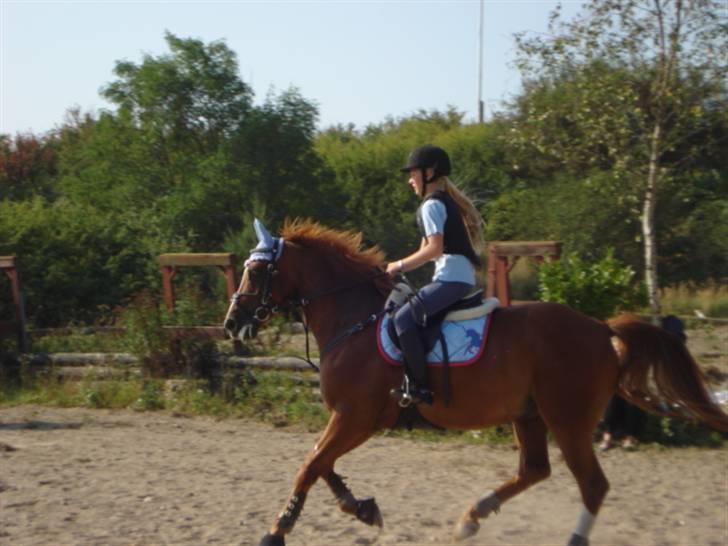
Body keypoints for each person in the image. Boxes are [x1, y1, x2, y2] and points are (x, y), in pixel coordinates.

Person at [385, 144, 484, 406]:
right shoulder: (441, 203)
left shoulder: (431, 205)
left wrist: (398, 265)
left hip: (451, 278)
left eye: (413, 173)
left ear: (429, 173)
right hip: (457, 277)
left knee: (403, 319)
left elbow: (434, 249)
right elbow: (424, 251)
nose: (410, 180)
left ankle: (419, 387)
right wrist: (396, 266)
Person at [599, 314, 687, 451]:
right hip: (619, 384)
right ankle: (608, 434)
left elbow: (644, 375)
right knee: (614, 397)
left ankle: (630, 436)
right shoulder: (617, 347)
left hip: (638, 385)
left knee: (635, 398)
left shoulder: (643, 352)